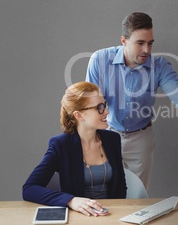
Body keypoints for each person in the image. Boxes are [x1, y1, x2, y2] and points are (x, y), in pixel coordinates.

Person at [86, 12, 178, 190]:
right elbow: (90, 104)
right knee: (104, 193)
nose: (147, 50)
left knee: (138, 195)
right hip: (107, 134)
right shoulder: (100, 60)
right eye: (140, 43)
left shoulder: (160, 66)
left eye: (150, 43)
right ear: (124, 41)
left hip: (141, 138)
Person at [22, 82, 126, 217]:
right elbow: (29, 189)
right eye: (99, 107)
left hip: (111, 214)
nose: (106, 111)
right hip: (79, 216)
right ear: (79, 115)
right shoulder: (61, 145)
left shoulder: (112, 139)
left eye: (104, 105)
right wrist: (71, 200)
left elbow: (120, 187)